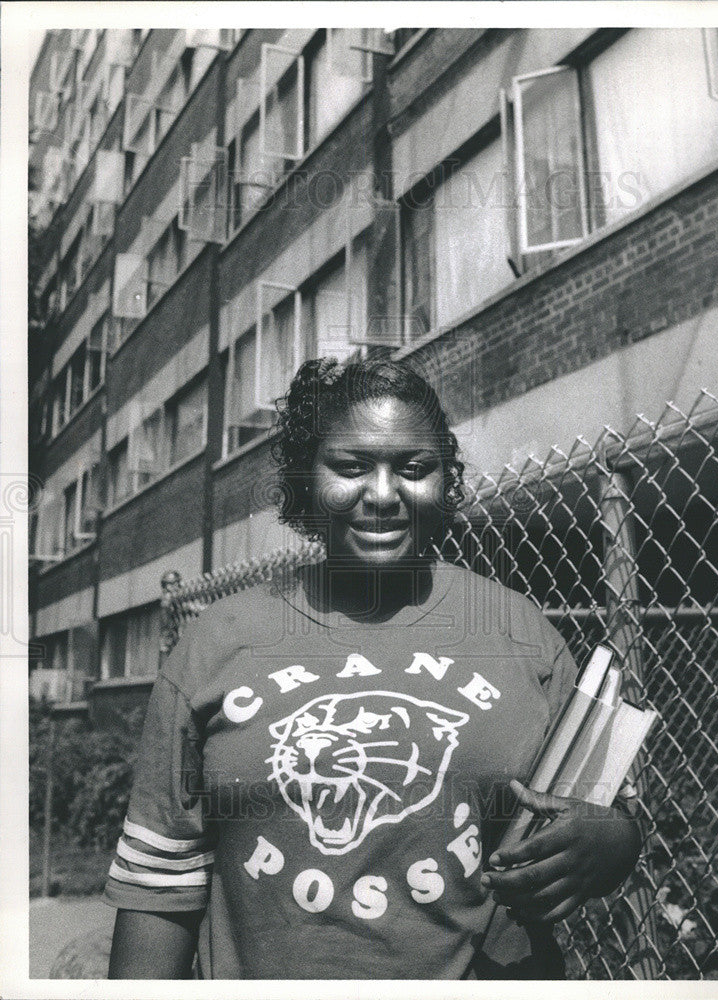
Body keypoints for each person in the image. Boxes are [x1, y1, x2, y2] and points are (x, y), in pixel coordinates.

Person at [105, 357, 641, 979]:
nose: (383, 495)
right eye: (351, 467)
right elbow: (158, 884)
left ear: (446, 478)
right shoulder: (215, 642)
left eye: (414, 469)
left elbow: (613, 822)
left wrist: (607, 844)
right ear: (308, 479)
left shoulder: (522, 633)